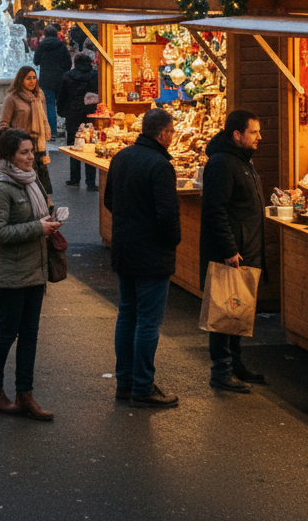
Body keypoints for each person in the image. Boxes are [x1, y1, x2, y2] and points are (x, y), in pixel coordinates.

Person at [103, 108, 181, 409]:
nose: (172, 137)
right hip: (151, 253)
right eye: (171, 132)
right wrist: (171, 240)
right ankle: (143, 386)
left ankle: (125, 382)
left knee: (127, 314)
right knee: (148, 321)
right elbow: (167, 214)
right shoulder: (160, 165)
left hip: (124, 248)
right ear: (163, 134)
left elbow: (110, 200)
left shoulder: (121, 157)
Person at [0, 127, 62, 421]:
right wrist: (38, 228)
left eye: (31, 151)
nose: (31, 158)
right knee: (7, 333)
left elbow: (38, 215)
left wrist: (51, 220)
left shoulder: (33, 181)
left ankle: (25, 394)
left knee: (30, 334)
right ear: (9, 156)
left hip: (35, 269)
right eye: (24, 153)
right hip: (10, 273)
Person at [200, 109, 266, 393]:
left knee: (238, 310)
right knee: (225, 312)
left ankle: (236, 365)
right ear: (237, 135)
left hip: (246, 248)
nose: (259, 137)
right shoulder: (223, 163)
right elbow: (215, 210)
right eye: (253, 132)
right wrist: (229, 248)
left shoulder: (242, 160)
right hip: (231, 252)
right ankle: (221, 371)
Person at [0, 65, 53, 197]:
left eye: (34, 78)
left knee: (43, 186)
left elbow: (44, 119)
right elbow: (3, 124)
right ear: (21, 79)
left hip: (39, 147)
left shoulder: (39, 95)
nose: (32, 81)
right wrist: (14, 141)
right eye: (28, 78)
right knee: (26, 185)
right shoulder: (12, 97)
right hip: (21, 147)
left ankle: (45, 209)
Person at [56, 52, 100, 190]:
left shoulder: (68, 76)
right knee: (90, 145)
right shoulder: (95, 76)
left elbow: (62, 96)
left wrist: (62, 112)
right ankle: (91, 181)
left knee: (74, 145)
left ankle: (75, 178)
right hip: (90, 114)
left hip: (73, 115)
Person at [32, 25, 72, 136]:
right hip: (60, 79)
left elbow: (36, 61)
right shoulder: (62, 46)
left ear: (45, 34)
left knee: (49, 104)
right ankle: (64, 128)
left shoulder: (42, 46)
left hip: (46, 80)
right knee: (62, 103)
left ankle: (52, 131)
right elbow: (68, 63)